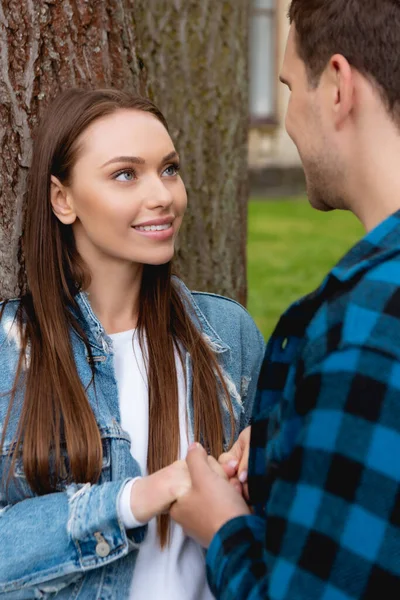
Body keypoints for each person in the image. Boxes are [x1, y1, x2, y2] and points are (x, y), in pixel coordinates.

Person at [171, 0, 400, 598]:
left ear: (338, 88)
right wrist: (292, 440)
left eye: (289, 86)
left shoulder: (366, 330)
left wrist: (223, 528)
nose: (289, 117)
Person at [0, 88, 265, 599]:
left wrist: (271, 465)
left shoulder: (228, 336)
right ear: (63, 199)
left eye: (169, 169)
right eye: (126, 174)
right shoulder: (11, 351)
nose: (163, 195)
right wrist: (133, 499)